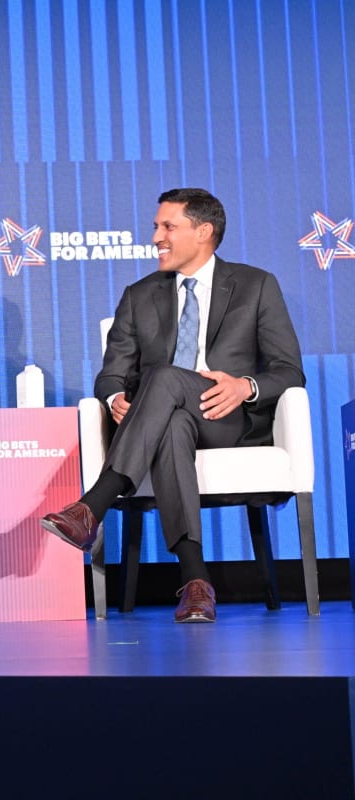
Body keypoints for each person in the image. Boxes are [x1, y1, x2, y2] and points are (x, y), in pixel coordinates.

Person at [41, 188, 304, 623]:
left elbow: (289, 371)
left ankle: (94, 505)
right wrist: (115, 397)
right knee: (172, 425)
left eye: (168, 226)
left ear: (204, 231)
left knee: (162, 376)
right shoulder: (139, 295)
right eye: (155, 226)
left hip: (228, 421)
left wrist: (244, 387)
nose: (156, 236)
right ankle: (197, 584)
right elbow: (111, 373)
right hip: (162, 422)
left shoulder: (256, 285)